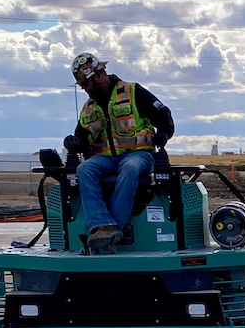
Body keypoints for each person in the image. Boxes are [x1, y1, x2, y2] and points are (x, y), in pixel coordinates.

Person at [70, 53, 175, 253]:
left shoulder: (132, 91)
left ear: (100, 74)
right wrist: (75, 142)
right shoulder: (88, 107)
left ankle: (111, 229)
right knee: (84, 169)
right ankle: (101, 225)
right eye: (83, 86)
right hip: (104, 159)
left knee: (130, 168)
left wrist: (163, 134)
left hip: (137, 154)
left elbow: (162, 114)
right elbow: (82, 136)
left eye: (89, 84)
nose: (87, 89)